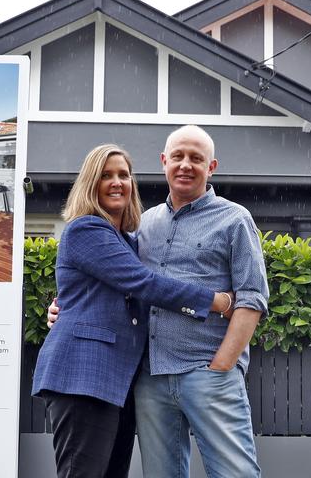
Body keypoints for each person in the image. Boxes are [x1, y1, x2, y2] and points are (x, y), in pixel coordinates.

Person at [33, 144, 234, 478]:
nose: (117, 182)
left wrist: (57, 306)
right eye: (106, 175)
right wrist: (216, 301)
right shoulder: (87, 229)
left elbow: (89, 293)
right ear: (90, 184)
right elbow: (144, 283)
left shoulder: (126, 240)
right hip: (84, 378)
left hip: (116, 384)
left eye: (123, 175)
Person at [133, 125, 269, 478]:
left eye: (196, 158)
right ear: (164, 161)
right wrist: (62, 308)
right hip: (152, 378)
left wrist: (221, 366)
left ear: (212, 167)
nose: (185, 165)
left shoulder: (235, 219)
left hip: (208, 374)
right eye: (177, 156)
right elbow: (123, 283)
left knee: (234, 474)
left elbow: (252, 298)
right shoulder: (144, 223)